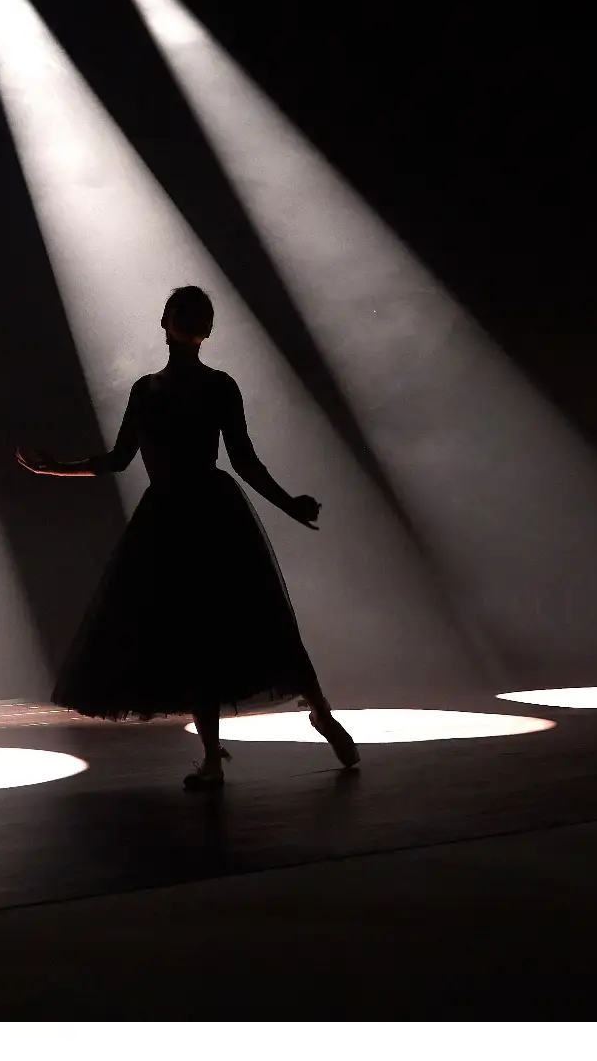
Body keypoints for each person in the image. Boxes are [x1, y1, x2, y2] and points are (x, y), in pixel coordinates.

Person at [18, 285, 361, 791]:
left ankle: (318, 711)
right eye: (185, 312)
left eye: (198, 314)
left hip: (208, 515)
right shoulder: (147, 391)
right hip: (172, 518)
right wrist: (56, 469)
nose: (190, 320)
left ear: (203, 329)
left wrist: (289, 503)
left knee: (257, 617)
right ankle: (214, 757)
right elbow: (120, 459)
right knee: (196, 635)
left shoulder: (218, 387)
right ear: (167, 322)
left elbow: (243, 459)